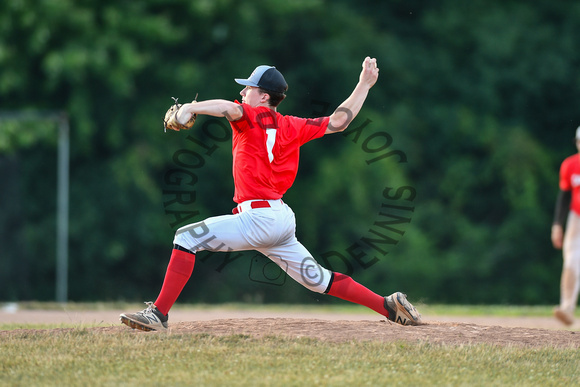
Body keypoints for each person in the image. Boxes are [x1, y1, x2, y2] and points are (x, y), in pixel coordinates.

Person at [120, 57, 422, 331]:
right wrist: (363, 85)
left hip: (258, 219)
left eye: (248, 88)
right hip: (280, 220)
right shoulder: (293, 125)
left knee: (186, 238)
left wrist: (190, 107)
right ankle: (386, 305)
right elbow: (339, 121)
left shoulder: (248, 116)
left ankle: (158, 314)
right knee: (318, 280)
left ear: (264, 96)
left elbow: (229, 108)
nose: (243, 93)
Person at [551, 126, 580, 326]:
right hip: (576, 217)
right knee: (571, 259)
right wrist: (557, 224)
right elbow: (564, 196)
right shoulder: (570, 165)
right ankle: (567, 307)